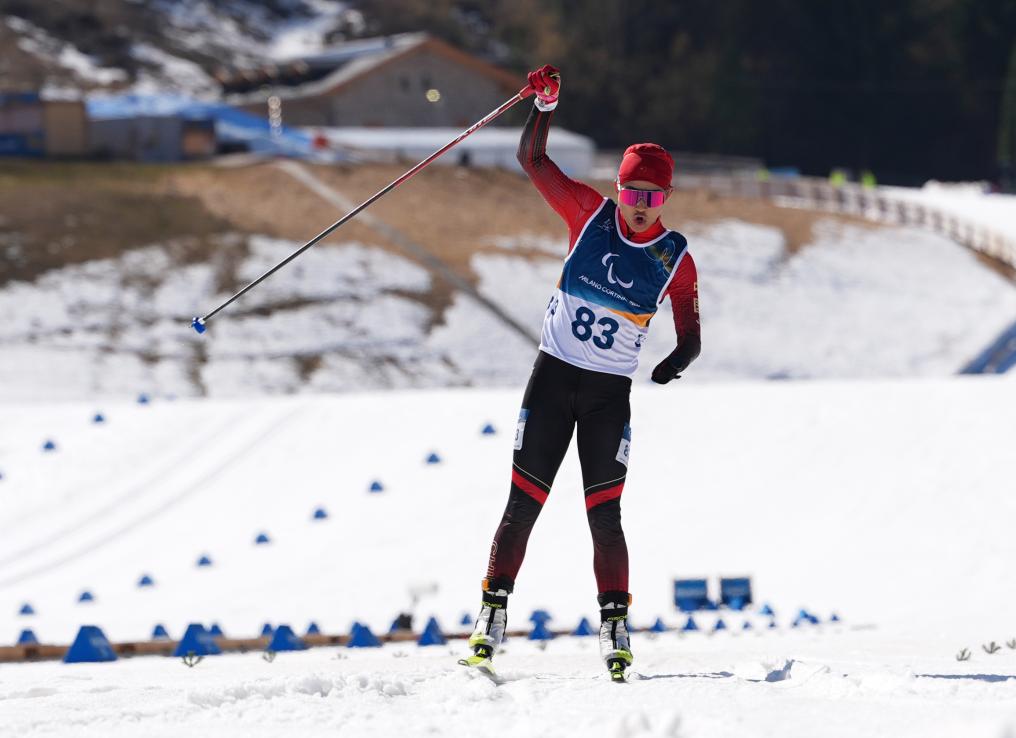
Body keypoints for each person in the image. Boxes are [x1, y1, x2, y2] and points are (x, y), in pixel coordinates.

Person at [460, 64, 701, 681]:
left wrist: (675, 362)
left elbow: (691, 333)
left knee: (605, 515)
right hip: (553, 379)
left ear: (665, 199)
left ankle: (615, 625)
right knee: (522, 506)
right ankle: (490, 615)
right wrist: (545, 103)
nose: (640, 208)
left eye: (652, 197)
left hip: (606, 399)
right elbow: (532, 159)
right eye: (632, 193)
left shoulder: (675, 258)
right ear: (618, 191)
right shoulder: (588, 215)